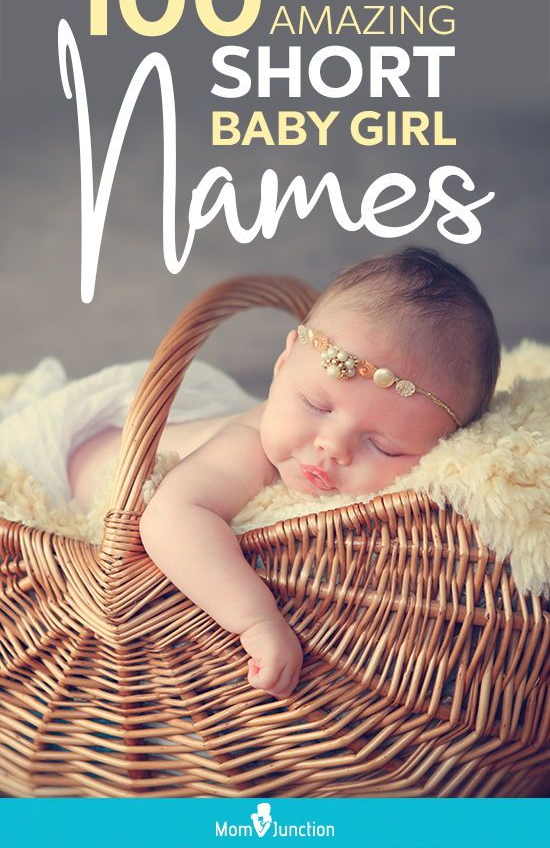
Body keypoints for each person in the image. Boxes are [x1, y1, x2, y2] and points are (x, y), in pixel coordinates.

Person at [69, 248, 500, 700]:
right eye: (316, 405)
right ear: (283, 363)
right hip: (83, 457)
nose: (332, 445)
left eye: (384, 445)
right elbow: (171, 519)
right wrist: (256, 619)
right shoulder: (251, 444)